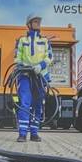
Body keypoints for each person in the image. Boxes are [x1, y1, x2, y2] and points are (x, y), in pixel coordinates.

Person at [14, 13, 53, 143]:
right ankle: (22, 134)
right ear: (29, 24)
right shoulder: (22, 41)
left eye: (39, 21)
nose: (38, 23)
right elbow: (17, 58)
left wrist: (40, 66)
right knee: (25, 104)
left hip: (40, 77)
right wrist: (23, 66)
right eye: (35, 21)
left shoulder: (45, 41)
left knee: (38, 105)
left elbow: (49, 57)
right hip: (25, 76)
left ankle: (34, 133)